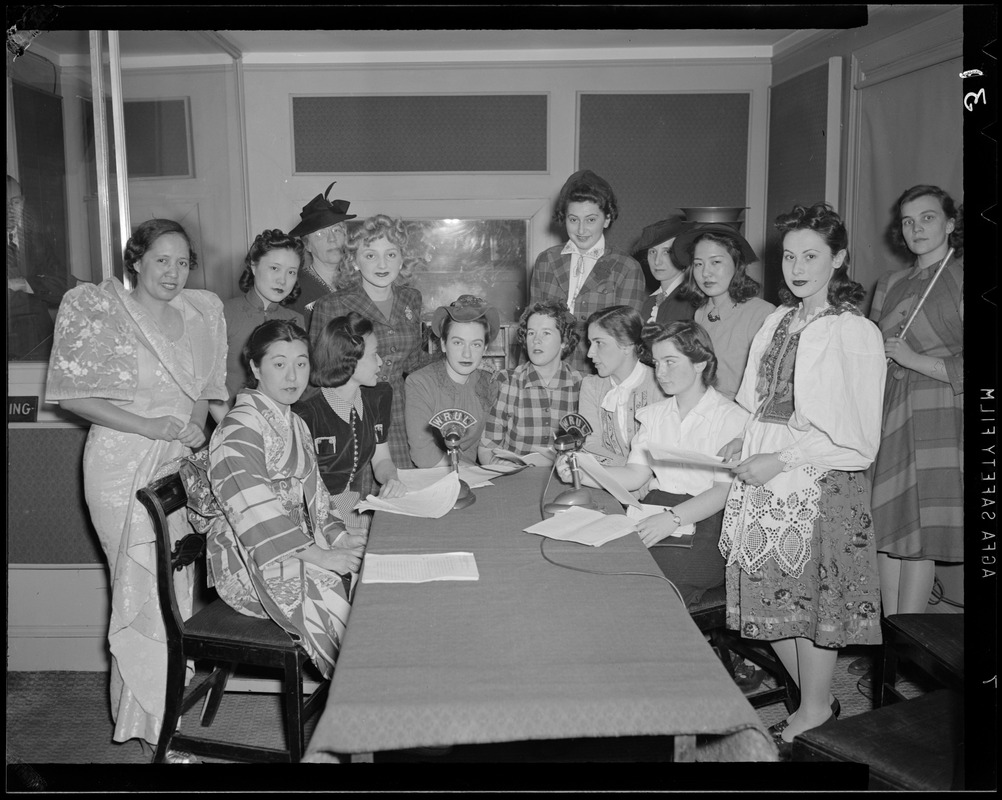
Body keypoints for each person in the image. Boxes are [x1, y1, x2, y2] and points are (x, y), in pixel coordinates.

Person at [45, 218, 227, 748]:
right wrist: (149, 425)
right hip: (121, 464)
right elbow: (73, 395)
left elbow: (204, 386)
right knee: (142, 587)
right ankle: (153, 729)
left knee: (174, 589)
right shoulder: (102, 309)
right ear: (137, 260)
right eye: (161, 260)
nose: (173, 272)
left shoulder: (201, 312)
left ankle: (157, 713)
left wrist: (195, 426)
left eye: (182, 261)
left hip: (176, 461)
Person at [718, 202, 886, 753]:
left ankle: (815, 709)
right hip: (768, 470)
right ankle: (816, 701)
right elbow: (758, 401)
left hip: (818, 479)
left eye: (811, 256)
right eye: (790, 256)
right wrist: (745, 438)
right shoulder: (777, 320)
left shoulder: (852, 331)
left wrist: (783, 460)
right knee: (777, 599)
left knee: (810, 602)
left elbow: (855, 436)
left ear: (837, 259)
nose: (797, 267)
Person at [195, 320, 366, 682]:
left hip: (295, 543)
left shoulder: (295, 422)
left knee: (368, 571)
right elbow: (255, 512)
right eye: (279, 364)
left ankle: (375, 679)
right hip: (248, 557)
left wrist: (339, 537)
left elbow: (316, 496)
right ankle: (357, 690)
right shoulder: (238, 428)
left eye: (301, 363)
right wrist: (321, 555)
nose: (293, 376)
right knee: (328, 587)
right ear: (255, 367)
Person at [853, 186, 964, 689]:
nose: (916, 228)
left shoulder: (965, 277)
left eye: (927, 218)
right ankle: (886, 645)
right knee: (886, 529)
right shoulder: (891, 281)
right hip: (889, 409)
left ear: (950, 223)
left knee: (914, 537)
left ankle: (911, 654)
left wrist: (914, 360)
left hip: (938, 409)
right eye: (907, 221)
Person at [561, 320, 749, 606]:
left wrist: (672, 518)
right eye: (657, 362)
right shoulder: (654, 415)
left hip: (707, 521)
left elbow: (723, 492)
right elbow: (635, 475)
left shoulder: (730, 418)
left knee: (651, 585)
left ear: (699, 363)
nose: (660, 372)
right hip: (654, 508)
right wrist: (581, 471)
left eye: (670, 362)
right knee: (604, 567)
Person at [309, 214, 434, 468]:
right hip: (352, 414)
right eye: (370, 255)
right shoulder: (331, 305)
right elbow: (318, 374)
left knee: (402, 492)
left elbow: (414, 361)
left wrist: (453, 363)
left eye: (390, 254)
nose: (382, 264)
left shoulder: (411, 299)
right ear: (354, 261)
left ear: (402, 259)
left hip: (402, 411)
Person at [295, 312, 407, 529]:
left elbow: (381, 460)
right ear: (350, 361)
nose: (381, 362)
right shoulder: (306, 412)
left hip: (352, 506)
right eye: (375, 354)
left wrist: (391, 479)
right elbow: (301, 491)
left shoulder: (377, 397)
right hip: (315, 515)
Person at [529, 169, 646, 373]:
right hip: (550, 373)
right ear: (563, 218)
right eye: (573, 220)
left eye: (591, 220)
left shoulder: (626, 267)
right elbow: (533, 326)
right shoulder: (546, 261)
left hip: (601, 375)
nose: (581, 230)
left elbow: (627, 339)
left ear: (607, 219)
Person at [670, 223, 775, 400]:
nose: (705, 273)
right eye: (698, 264)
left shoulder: (762, 314)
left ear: (737, 264)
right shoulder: (701, 313)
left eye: (716, 262)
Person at [210, 229, 305, 423]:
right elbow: (209, 386)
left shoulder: (297, 320)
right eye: (274, 268)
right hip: (227, 424)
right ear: (254, 266)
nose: (283, 280)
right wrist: (234, 429)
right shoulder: (222, 313)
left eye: (291, 272)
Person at [479, 300, 582, 464]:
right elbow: (487, 449)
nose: (536, 340)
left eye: (546, 333)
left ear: (565, 341)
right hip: (515, 480)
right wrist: (502, 466)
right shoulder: (507, 382)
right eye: (531, 333)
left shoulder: (581, 386)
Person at [405, 295, 501, 468]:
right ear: (443, 344)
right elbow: (422, 453)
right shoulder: (419, 383)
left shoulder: (490, 384)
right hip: (432, 479)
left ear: (485, 348)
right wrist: (464, 473)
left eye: (476, 345)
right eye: (458, 343)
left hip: (475, 479)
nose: (467, 354)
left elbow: (488, 444)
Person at [576, 305, 663, 467]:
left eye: (599, 343)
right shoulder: (591, 386)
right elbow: (589, 445)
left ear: (627, 345)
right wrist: (629, 469)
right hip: (609, 480)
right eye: (590, 343)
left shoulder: (660, 384)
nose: (590, 353)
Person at [287, 181, 357, 330]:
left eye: (336, 230)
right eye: (320, 234)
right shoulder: (295, 288)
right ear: (307, 245)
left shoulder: (359, 281)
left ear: (346, 236)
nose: (332, 239)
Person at [633, 215, 697, 326]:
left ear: (682, 253)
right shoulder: (649, 303)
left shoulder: (691, 301)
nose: (657, 261)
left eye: (666, 252)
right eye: (652, 252)